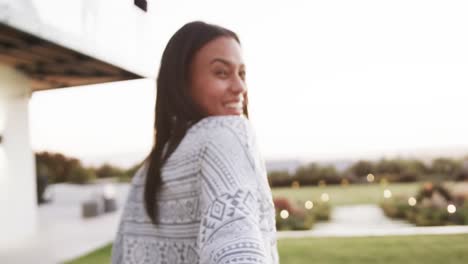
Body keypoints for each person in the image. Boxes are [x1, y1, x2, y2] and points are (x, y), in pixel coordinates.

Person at [111, 21, 279, 264]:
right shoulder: (225, 132)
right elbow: (237, 249)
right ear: (182, 82)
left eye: (241, 73)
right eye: (221, 72)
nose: (240, 87)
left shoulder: (146, 174)